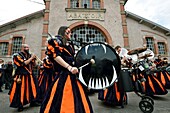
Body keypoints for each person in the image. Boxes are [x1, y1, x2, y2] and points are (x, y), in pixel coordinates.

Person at [39, 26, 93, 113]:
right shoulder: (55, 41)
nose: (71, 33)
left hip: (73, 75)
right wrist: (69, 67)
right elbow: (56, 56)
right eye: (69, 32)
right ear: (64, 32)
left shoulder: (69, 44)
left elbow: (73, 59)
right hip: (63, 74)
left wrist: (85, 61)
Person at [9, 44, 41, 112]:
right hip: (21, 75)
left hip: (30, 75)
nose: (27, 48)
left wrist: (34, 60)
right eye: (26, 47)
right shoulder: (17, 55)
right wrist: (31, 58)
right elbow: (23, 63)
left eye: (28, 47)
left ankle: (33, 101)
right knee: (21, 91)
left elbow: (34, 65)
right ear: (22, 48)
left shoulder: (29, 55)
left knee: (34, 88)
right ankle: (20, 105)